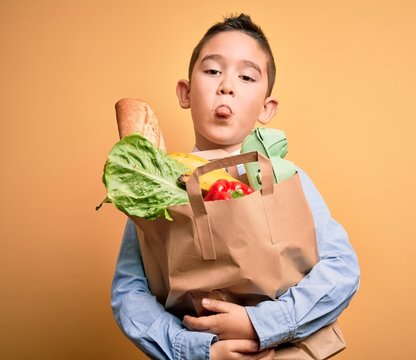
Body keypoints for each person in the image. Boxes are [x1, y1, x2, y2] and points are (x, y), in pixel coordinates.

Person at [111, 13, 360, 360]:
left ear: (267, 108)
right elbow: (129, 292)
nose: (226, 85)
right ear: (185, 93)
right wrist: (200, 350)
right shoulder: (155, 187)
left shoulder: (287, 179)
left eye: (246, 76)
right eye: (213, 71)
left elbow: (342, 268)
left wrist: (259, 325)